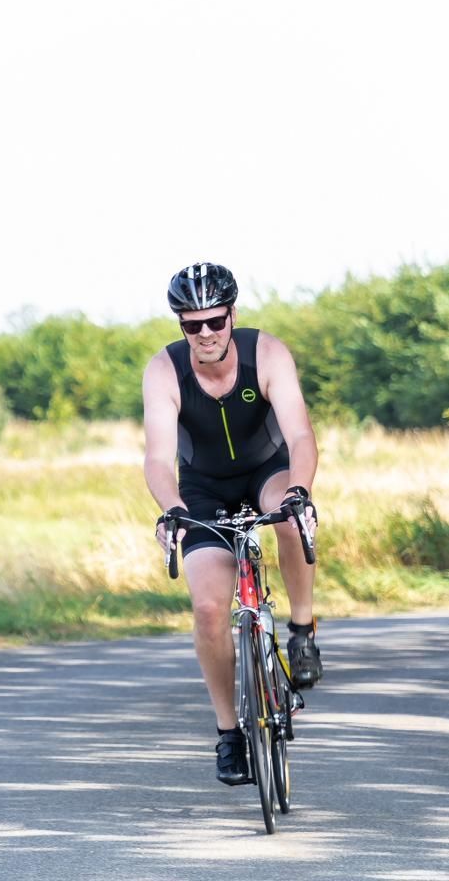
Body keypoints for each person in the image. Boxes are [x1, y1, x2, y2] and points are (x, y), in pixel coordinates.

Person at [142, 262, 322, 786]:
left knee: (289, 523)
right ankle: (229, 733)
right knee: (207, 607)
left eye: (214, 321)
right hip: (202, 488)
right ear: (180, 326)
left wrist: (299, 491)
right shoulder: (164, 370)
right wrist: (172, 506)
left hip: (268, 471)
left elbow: (301, 434)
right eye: (191, 325)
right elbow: (157, 457)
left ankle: (303, 630)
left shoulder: (267, 353)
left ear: (232, 315)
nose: (205, 334)